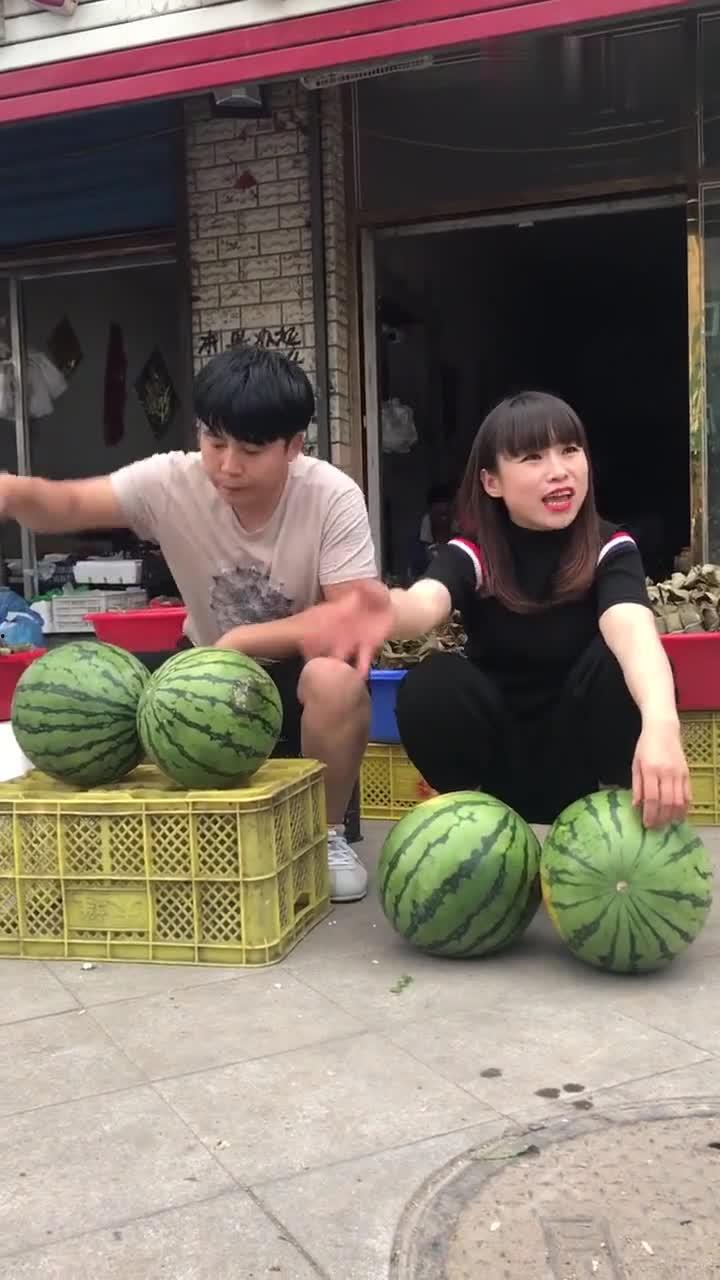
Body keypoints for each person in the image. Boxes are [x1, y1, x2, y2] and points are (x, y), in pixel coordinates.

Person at [0, 345, 378, 902]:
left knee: (336, 681)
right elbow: (68, 504)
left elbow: (351, 616)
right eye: (214, 442)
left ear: (294, 446)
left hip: (296, 676)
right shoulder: (169, 481)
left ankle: (324, 836)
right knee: (78, 694)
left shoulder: (331, 496)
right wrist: (11, 492)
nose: (228, 466)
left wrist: (241, 641)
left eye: (251, 450)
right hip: (195, 673)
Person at [300, 391, 690, 830]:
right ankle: (474, 820)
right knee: (433, 683)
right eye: (532, 457)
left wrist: (661, 727)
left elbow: (632, 630)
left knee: (622, 664)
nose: (558, 470)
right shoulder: (474, 553)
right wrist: (386, 609)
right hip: (501, 754)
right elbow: (426, 601)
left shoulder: (611, 548)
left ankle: (617, 815)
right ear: (492, 482)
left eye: (569, 450)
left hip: (585, 751)